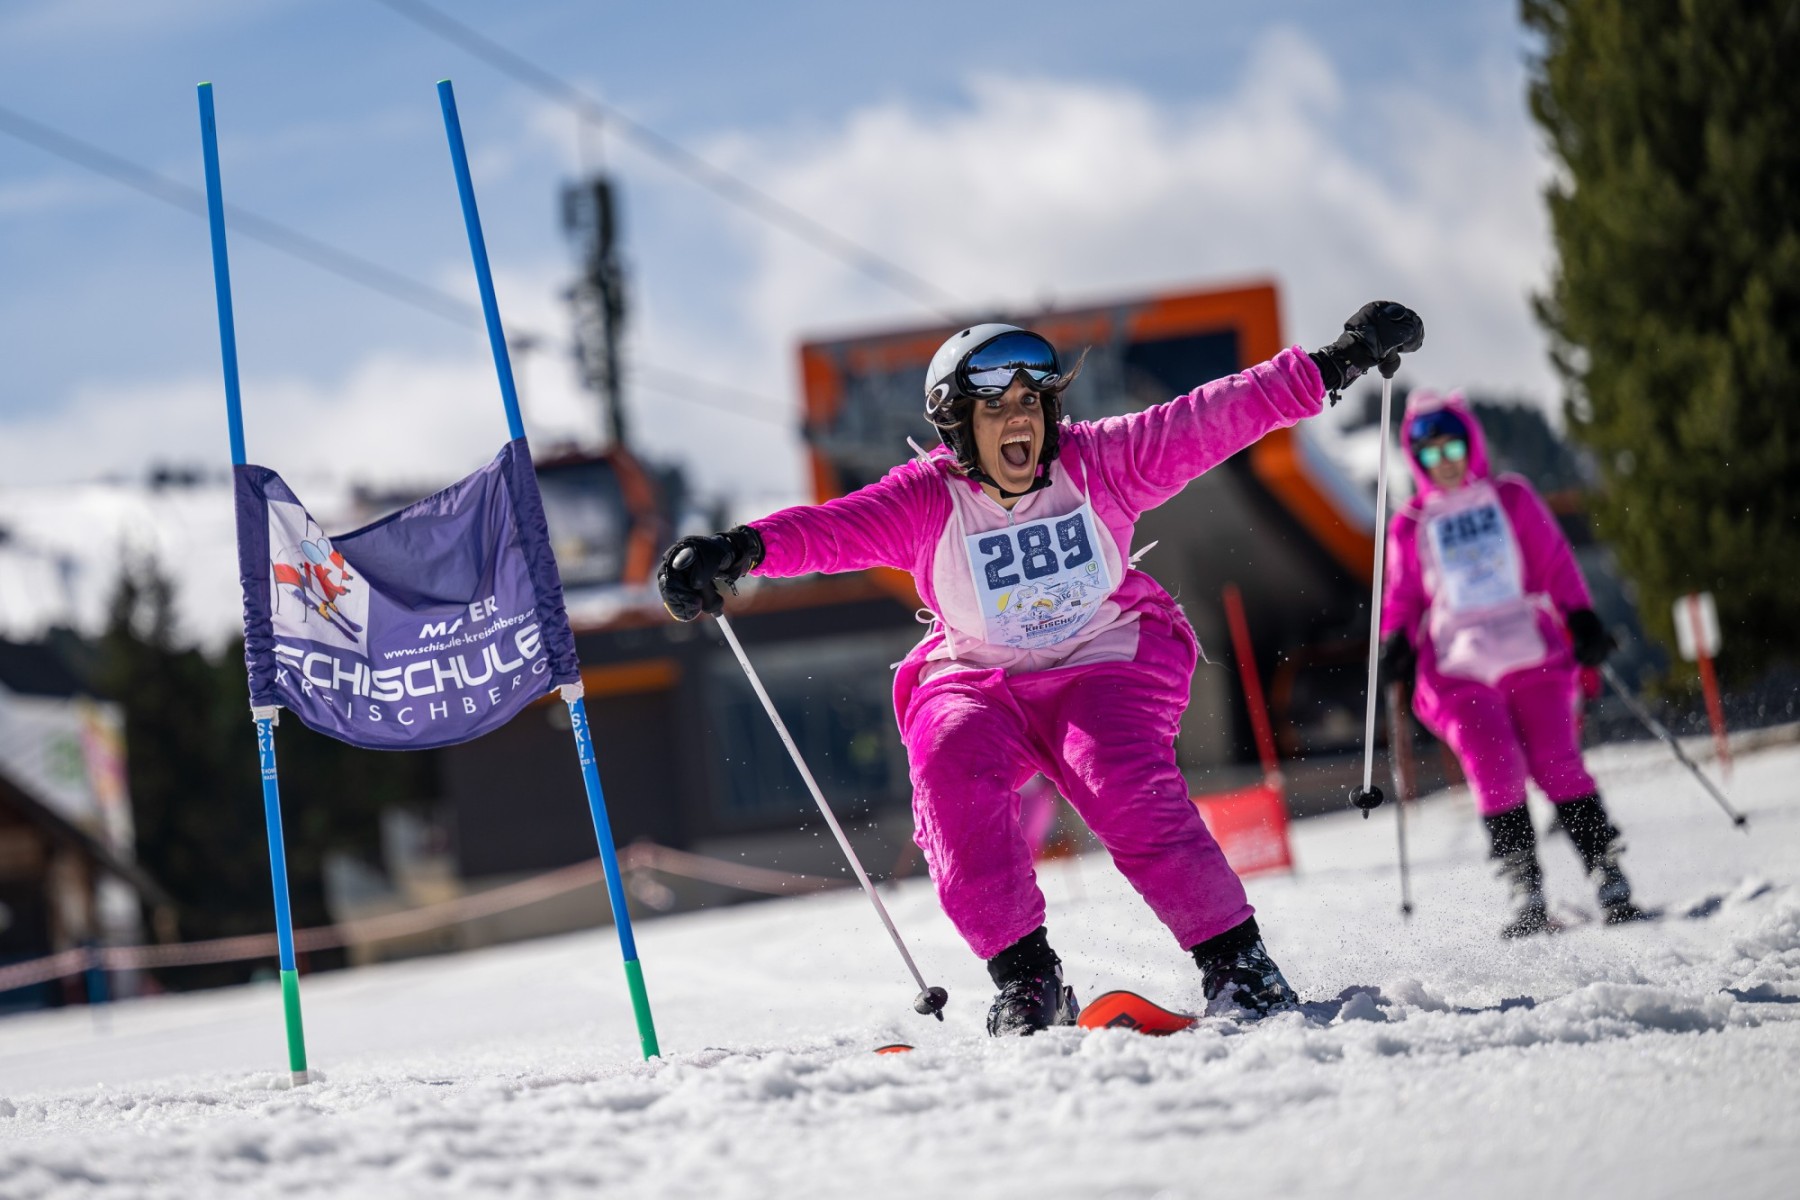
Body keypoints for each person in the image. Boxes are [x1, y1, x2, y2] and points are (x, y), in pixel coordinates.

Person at [659, 302, 1424, 1034]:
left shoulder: (1103, 462)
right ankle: (1026, 981)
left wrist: (1341, 360)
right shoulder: (928, 498)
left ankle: (1238, 965)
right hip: (979, 679)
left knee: (1118, 776)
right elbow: (831, 530)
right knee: (951, 764)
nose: (1020, 420)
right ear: (959, 427)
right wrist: (737, 551)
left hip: (1103, 660)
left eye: (1032, 402)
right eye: (995, 409)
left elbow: (1215, 415)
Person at [1378, 389, 1648, 938]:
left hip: (1529, 649)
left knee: (1555, 760)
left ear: (1470, 444)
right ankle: (1525, 886)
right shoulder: (1411, 524)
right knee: (1494, 767)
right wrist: (1395, 642)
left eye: (1452, 447)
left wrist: (1581, 616)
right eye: (1429, 455)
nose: (1444, 462)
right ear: (1416, 462)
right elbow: (1403, 597)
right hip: (1459, 665)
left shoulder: (1510, 498)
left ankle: (1605, 868)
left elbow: (1554, 562)